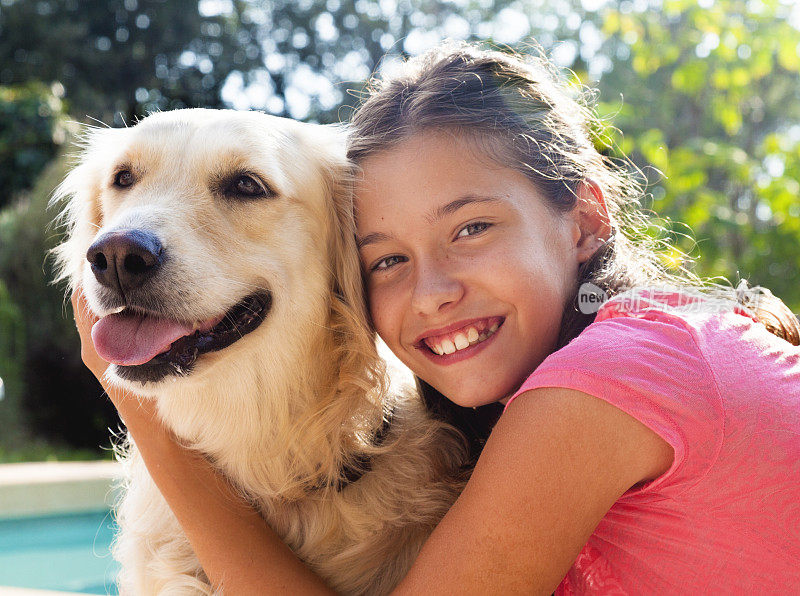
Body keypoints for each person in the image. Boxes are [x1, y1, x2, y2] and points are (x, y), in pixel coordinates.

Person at [72, 41, 800, 594]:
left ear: (583, 219)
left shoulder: (608, 378)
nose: (431, 292)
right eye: (386, 259)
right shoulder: (524, 399)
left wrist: (145, 423)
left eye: (472, 228)